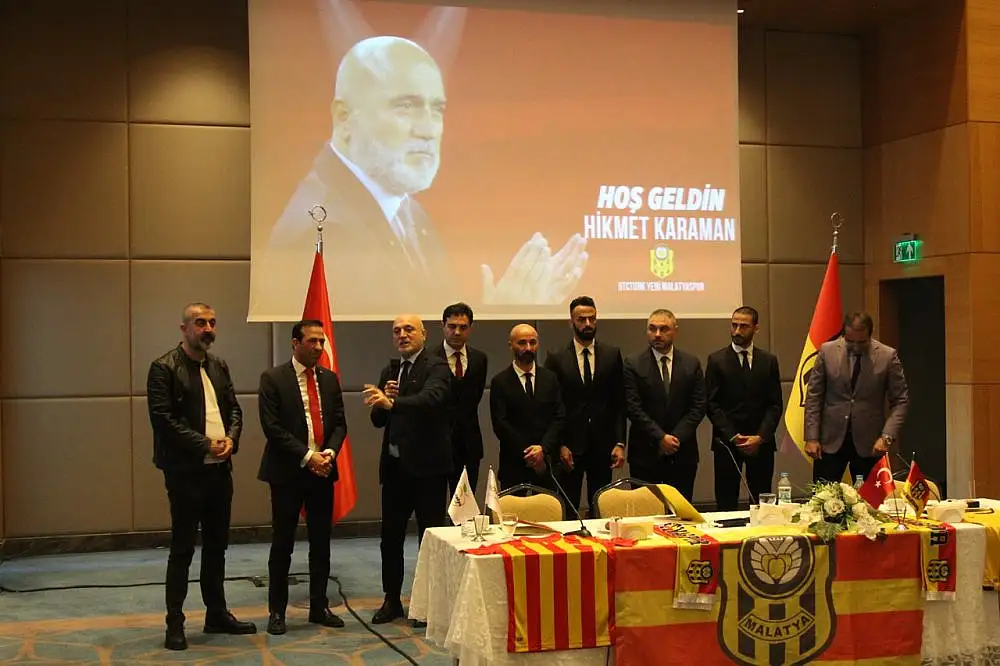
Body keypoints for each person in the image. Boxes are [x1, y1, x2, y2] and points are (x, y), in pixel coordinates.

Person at [253, 35, 586, 319]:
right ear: (344, 118)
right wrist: (505, 310)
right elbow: (382, 346)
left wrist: (503, 309)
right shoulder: (322, 230)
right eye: (405, 107)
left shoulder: (408, 212)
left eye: (436, 109)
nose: (428, 129)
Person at [146, 303, 256, 651]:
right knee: (182, 549)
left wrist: (231, 440)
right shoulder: (163, 368)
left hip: (220, 471)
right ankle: (174, 623)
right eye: (200, 323)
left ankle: (216, 613)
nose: (208, 328)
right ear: (184, 329)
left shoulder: (218, 365)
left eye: (212, 322)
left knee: (217, 546)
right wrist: (206, 444)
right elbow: (163, 421)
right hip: (185, 473)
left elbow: (234, 409)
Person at [257, 320, 348, 635]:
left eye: (321, 341)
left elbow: (340, 423)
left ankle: (319, 607)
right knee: (282, 543)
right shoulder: (273, 378)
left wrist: (329, 454)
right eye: (312, 341)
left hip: (323, 470)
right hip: (287, 472)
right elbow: (272, 428)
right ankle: (277, 611)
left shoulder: (329, 379)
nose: (319, 347)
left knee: (321, 543)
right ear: (295, 343)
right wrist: (308, 457)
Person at [363, 314, 453, 624]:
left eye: (409, 329)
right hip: (395, 470)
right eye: (396, 331)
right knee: (390, 538)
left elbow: (431, 400)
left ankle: (431, 604)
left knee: (430, 539)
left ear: (424, 334)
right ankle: (392, 600)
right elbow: (378, 420)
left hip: (428, 470)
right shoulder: (390, 370)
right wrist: (383, 402)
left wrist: (395, 403)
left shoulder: (437, 366)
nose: (402, 335)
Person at [543, 296, 626, 513]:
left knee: (601, 507)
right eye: (581, 319)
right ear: (571, 322)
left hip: (603, 445)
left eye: (592, 318)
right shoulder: (556, 357)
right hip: (569, 447)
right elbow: (551, 406)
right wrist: (559, 444)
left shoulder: (612, 354)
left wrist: (619, 442)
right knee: (568, 508)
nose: (588, 324)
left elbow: (619, 402)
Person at [805, 311, 909, 483]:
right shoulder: (827, 351)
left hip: (870, 443)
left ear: (870, 335)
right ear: (844, 334)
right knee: (824, 497)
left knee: (869, 498)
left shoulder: (887, 356)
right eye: (850, 341)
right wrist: (811, 437)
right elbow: (814, 396)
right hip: (829, 441)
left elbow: (900, 401)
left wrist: (887, 436)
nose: (855, 346)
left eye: (861, 342)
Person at [623, 309, 706, 500]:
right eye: (652, 329)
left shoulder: (691, 363)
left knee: (681, 511)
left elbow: (699, 405)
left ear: (675, 330)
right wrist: (660, 437)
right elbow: (633, 407)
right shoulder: (633, 363)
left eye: (664, 329)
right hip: (646, 453)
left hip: (682, 452)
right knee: (646, 511)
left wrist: (675, 438)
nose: (657, 334)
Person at [705, 306, 783, 510]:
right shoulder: (716, 360)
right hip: (727, 442)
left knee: (762, 502)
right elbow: (712, 404)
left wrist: (761, 436)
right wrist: (733, 436)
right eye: (734, 325)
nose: (737, 331)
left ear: (756, 328)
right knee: (726, 500)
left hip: (760, 442)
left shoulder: (768, 361)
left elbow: (775, 404)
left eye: (743, 326)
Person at [489, 324, 565, 491]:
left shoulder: (550, 379)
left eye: (533, 342)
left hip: (546, 463)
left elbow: (559, 417)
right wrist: (529, 454)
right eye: (522, 343)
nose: (528, 348)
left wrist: (543, 449)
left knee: (548, 506)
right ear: (511, 345)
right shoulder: (500, 382)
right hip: (514, 464)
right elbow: (500, 424)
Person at [433, 302, 488, 496]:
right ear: (443, 326)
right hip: (436, 446)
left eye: (463, 327)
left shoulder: (479, 359)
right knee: (434, 505)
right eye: (452, 326)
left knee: (466, 505)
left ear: (470, 328)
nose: (457, 332)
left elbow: (475, 397)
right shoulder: (429, 358)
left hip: (469, 445)